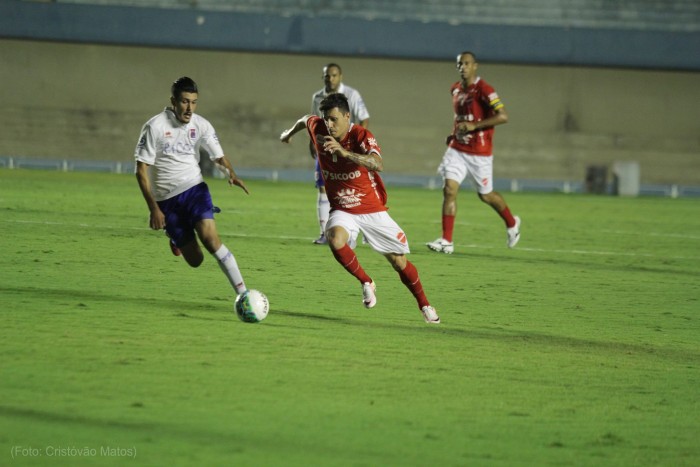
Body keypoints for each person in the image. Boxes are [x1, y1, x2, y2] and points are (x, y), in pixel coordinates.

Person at [280, 93, 440, 324]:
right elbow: (306, 119)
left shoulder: (361, 135)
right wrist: (288, 134)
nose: (329, 124)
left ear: (347, 116)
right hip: (343, 209)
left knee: (398, 262)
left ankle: (425, 305)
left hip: (371, 208)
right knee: (334, 238)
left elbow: (378, 163)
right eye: (326, 119)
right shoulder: (318, 127)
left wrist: (345, 153)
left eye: (334, 119)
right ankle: (367, 282)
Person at [135, 76, 251, 299]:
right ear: (173, 101)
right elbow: (141, 170)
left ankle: (243, 295)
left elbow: (218, 157)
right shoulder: (154, 126)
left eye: (194, 102)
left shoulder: (202, 125)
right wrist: (154, 209)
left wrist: (231, 174)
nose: (189, 108)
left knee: (211, 240)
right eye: (185, 101)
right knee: (196, 260)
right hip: (167, 202)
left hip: (194, 190)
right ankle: (176, 238)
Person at [427, 51, 521, 254]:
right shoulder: (455, 89)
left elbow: (503, 116)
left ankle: (512, 223)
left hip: (480, 152)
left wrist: (474, 126)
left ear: (475, 66)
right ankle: (447, 241)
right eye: (460, 64)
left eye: (467, 63)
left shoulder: (484, 90)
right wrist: (453, 135)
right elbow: (459, 118)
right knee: (449, 190)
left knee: (486, 195)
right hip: (457, 150)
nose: (463, 67)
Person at [309, 63, 370, 245]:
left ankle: (368, 229)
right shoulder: (317, 97)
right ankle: (323, 233)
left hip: (348, 149)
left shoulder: (352, 95)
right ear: (324, 77)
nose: (331, 79)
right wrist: (312, 141)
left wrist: (357, 141)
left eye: (334, 75)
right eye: (327, 76)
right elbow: (313, 121)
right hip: (326, 149)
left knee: (356, 187)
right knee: (323, 187)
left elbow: (364, 118)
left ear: (340, 76)